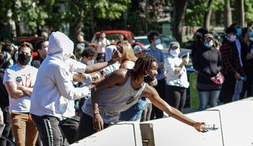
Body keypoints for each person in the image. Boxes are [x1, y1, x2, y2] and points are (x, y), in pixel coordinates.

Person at [76, 53, 207, 140]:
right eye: (153, 69)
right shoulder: (122, 75)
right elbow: (96, 88)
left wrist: (193, 123)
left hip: (110, 119)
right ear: (144, 69)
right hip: (92, 114)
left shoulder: (147, 90)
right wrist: (96, 113)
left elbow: (170, 110)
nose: (156, 72)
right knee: (82, 144)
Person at [30, 31, 121, 146]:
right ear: (64, 48)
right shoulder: (55, 65)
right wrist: (92, 85)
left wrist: (110, 62)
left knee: (80, 136)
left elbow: (88, 69)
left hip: (62, 112)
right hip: (45, 113)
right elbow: (70, 94)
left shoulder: (63, 60)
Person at [3, 42, 39, 146]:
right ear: (17, 54)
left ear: (31, 55)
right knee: (20, 144)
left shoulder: (35, 71)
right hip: (18, 112)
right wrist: (30, 91)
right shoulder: (10, 71)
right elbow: (13, 93)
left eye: (27, 53)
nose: (24, 55)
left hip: (34, 112)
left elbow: (38, 92)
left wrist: (22, 88)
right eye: (22, 53)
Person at [193, 34, 223, 111]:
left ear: (213, 41)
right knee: (203, 105)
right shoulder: (199, 51)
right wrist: (202, 71)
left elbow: (221, 64)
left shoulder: (216, 52)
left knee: (214, 104)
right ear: (203, 40)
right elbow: (195, 64)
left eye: (210, 39)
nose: (208, 41)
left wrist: (216, 70)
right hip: (203, 82)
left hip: (215, 82)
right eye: (207, 39)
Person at [144, 30, 166, 119]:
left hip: (160, 78)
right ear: (152, 40)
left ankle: (160, 116)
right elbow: (150, 65)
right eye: (156, 38)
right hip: (152, 80)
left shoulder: (160, 51)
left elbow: (162, 64)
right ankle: (152, 116)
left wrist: (157, 65)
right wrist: (158, 65)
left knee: (161, 99)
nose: (158, 40)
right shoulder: (148, 51)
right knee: (153, 99)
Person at [220, 26, 244, 104]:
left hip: (234, 74)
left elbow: (237, 60)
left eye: (234, 34)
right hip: (227, 74)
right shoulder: (224, 46)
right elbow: (226, 62)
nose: (233, 36)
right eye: (231, 34)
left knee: (234, 93)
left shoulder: (233, 45)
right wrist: (235, 72)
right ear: (227, 35)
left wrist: (241, 72)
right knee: (227, 95)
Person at [164, 41, 189, 112]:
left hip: (183, 86)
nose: (174, 50)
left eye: (176, 48)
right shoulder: (168, 60)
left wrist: (182, 62)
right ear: (169, 50)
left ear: (180, 49)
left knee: (181, 110)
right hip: (173, 87)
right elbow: (174, 72)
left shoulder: (179, 59)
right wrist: (183, 63)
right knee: (174, 110)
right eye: (173, 48)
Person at [0, 52, 12, 146]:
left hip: (4, 108)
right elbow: (9, 92)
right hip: (3, 108)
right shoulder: (1, 75)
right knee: (3, 134)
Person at [240, 28, 253, 98]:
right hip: (243, 67)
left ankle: (249, 99)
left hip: (251, 67)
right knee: (243, 85)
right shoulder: (241, 43)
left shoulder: (252, 43)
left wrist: (252, 56)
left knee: (250, 85)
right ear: (245, 33)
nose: (251, 33)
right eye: (249, 31)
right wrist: (245, 57)